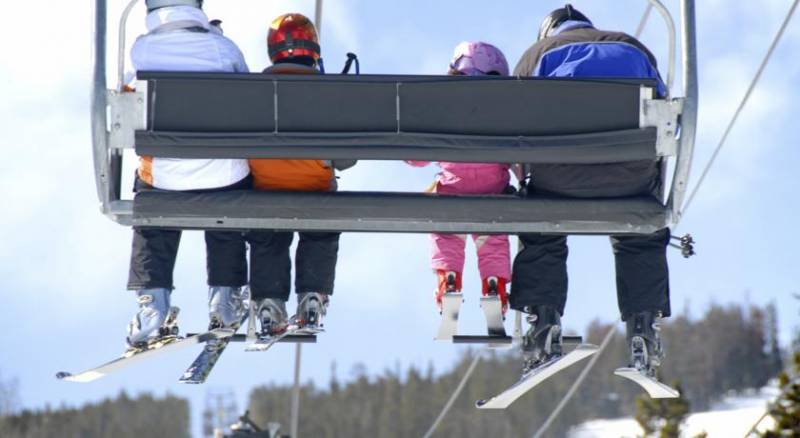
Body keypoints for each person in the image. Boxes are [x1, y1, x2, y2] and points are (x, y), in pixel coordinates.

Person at [511, 4, 671, 376]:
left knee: (541, 230)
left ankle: (543, 326)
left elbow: (513, 127)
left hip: (558, 178)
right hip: (631, 175)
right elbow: (667, 119)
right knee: (640, 233)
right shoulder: (633, 48)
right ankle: (643, 331)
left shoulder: (538, 56)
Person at [125, 0, 252, 347]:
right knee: (226, 209)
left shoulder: (140, 51)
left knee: (154, 212)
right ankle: (224, 298)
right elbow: (250, 101)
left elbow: (125, 105)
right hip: (225, 176)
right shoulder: (223, 48)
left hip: (164, 177)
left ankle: (153, 305)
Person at [247, 13, 356, 336]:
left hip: (264, 187)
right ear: (314, 50)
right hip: (315, 188)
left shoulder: (250, 92)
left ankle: (269, 300)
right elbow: (346, 160)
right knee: (321, 231)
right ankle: (312, 294)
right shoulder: (328, 93)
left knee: (267, 237)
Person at [406, 42, 513, 316]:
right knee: (493, 239)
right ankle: (495, 285)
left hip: (452, 191)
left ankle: (448, 279)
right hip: (494, 193)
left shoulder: (444, 112)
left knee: (446, 233)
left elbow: (417, 158)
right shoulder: (504, 115)